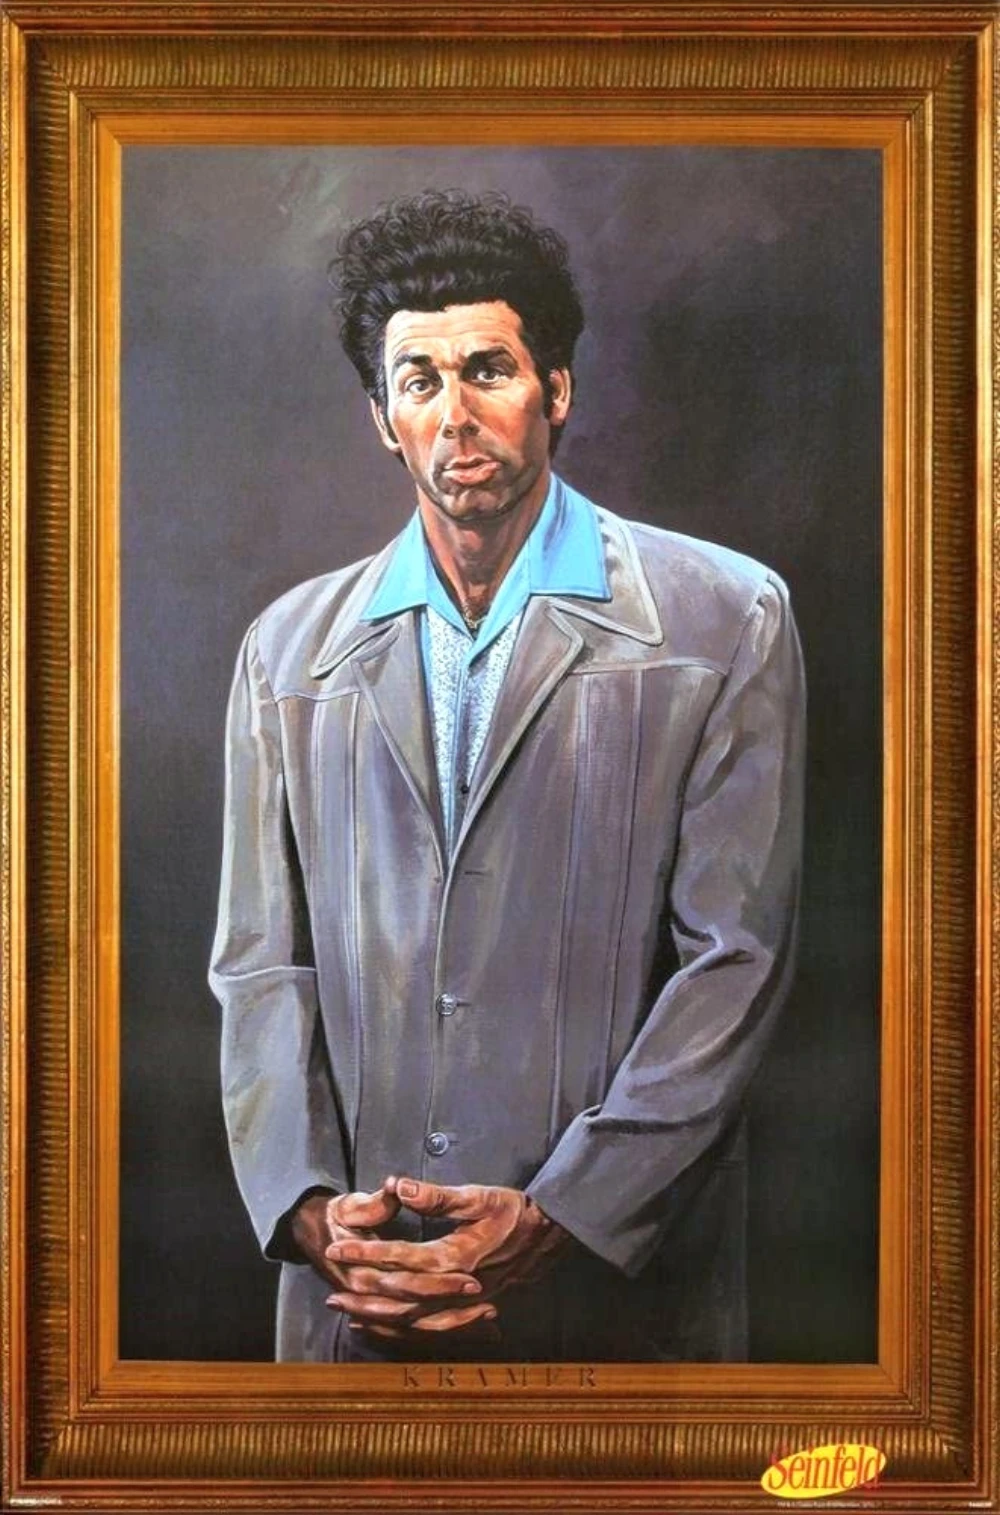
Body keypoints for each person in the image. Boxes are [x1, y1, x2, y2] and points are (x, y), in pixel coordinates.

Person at [209, 189, 806, 1364]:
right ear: (383, 419)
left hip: (620, 1303)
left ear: (557, 390)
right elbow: (259, 966)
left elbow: (734, 965)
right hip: (357, 1299)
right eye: (419, 381)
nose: (457, 414)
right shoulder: (286, 650)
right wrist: (311, 1215)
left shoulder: (726, 615)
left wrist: (561, 1216)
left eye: (489, 369)